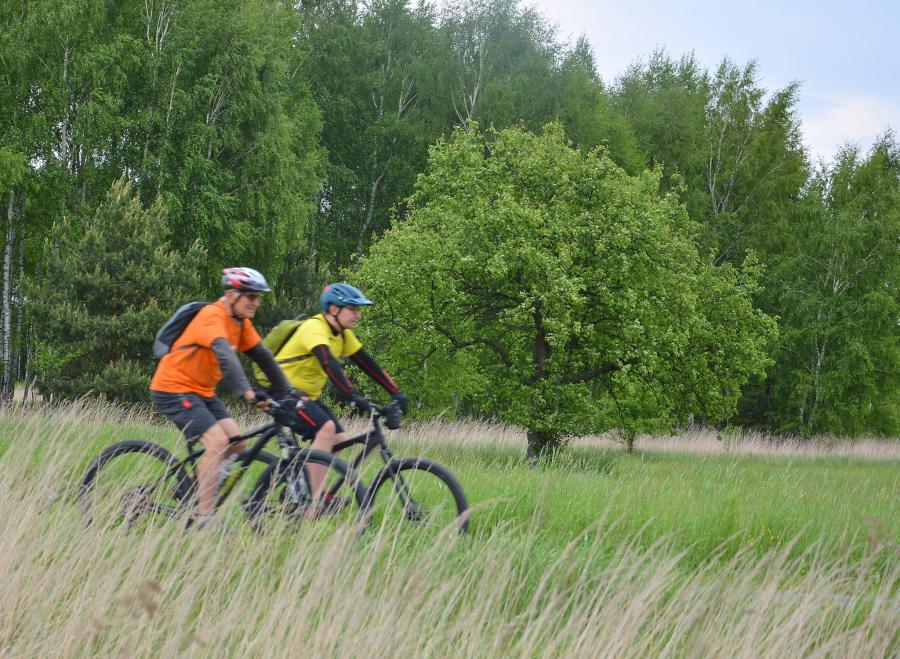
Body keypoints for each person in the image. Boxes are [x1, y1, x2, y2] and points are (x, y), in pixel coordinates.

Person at [149, 267, 293, 527]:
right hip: (173, 388)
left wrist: (288, 391)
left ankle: (192, 490)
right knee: (217, 443)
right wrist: (247, 392)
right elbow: (225, 355)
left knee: (237, 444)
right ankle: (204, 517)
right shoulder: (212, 316)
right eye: (251, 296)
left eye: (258, 297)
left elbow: (262, 356)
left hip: (202, 391)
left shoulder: (241, 323)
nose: (256, 302)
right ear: (231, 295)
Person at [259, 283, 407, 513]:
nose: (358, 314)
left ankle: (309, 490)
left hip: (305, 396)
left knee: (339, 438)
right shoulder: (314, 328)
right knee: (326, 429)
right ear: (333, 309)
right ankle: (314, 502)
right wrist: (352, 396)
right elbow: (328, 363)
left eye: (359, 309)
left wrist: (395, 391)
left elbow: (367, 363)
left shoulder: (343, 335)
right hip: (280, 392)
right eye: (352, 309)